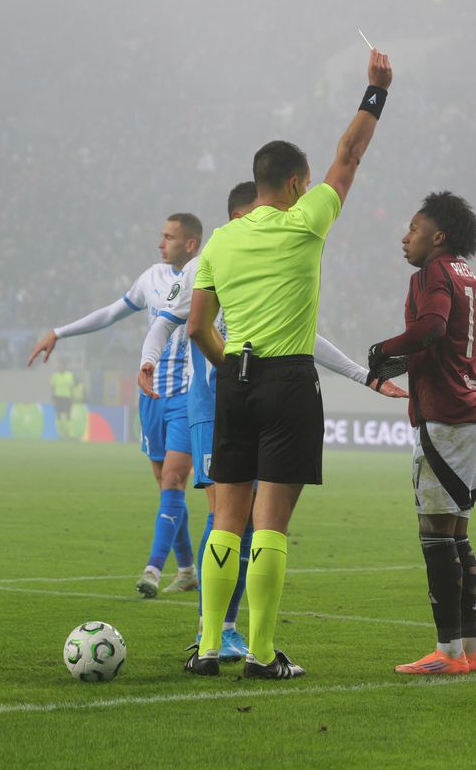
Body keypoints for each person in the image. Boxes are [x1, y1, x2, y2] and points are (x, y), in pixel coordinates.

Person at [174, 48, 392, 680]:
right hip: (290, 382)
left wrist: (227, 367)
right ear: (296, 184)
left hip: (235, 382)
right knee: (271, 525)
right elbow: (348, 159)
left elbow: (197, 327)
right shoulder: (305, 224)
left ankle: (210, 646)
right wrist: (374, 92)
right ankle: (263, 656)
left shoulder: (220, 240)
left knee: (225, 518)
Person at [142, 182, 404, 662]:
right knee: (232, 516)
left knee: (236, 520)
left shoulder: (257, 259)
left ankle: (219, 633)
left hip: (245, 397)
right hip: (213, 404)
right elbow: (170, 320)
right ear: (245, 213)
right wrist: (152, 360)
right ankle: (216, 632)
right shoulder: (218, 254)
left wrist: (361, 376)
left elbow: (308, 336)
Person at [28, 213, 204, 598]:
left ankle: (153, 570)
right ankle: (188, 570)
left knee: (174, 479)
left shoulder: (205, 276)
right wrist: (60, 332)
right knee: (166, 485)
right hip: (150, 396)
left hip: (187, 395)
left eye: (169, 237)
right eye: (161, 236)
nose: (161, 243)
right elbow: (110, 313)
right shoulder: (151, 278)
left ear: (190, 244)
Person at [366, 192, 476, 675]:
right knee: (456, 534)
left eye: (413, 228)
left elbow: (433, 326)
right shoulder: (466, 274)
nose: (405, 237)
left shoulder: (432, 274)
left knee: (435, 535)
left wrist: (386, 346)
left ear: (437, 236)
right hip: (472, 419)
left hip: (447, 421)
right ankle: (471, 649)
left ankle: (448, 653)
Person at [51, 360, 75, 438]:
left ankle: (69, 433)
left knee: (68, 415)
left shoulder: (69, 375)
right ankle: (60, 434)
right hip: (58, 397)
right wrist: (53, 397)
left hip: (67, 397)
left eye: (62, 365)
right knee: (59, 415)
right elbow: (53, 387)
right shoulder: (55, 375)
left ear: (65, 366)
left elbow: (71, 388)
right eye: (59, 365)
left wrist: (72, 397)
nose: (60, 367)